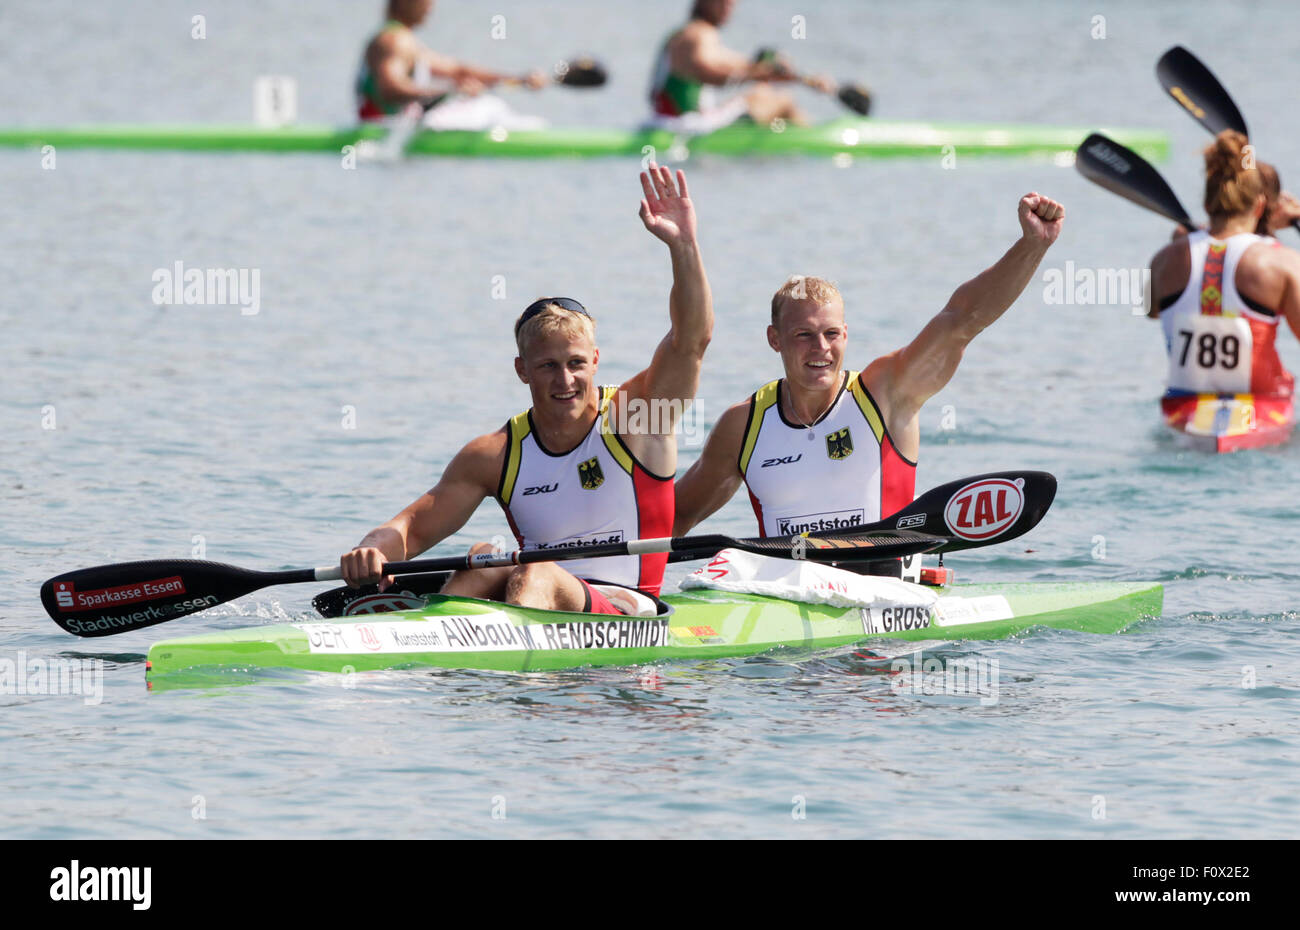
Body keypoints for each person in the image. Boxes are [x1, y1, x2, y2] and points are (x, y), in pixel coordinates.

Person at [341, 166, 712, 615]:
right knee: (484, 557)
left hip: (630, 607)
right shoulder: (493, 454)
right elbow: (412, 528)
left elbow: (690, 340)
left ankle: (496, 660)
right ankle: (435, 653)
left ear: (594, 362)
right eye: (547, 367)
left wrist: (684, 246)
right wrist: (372, 550)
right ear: (522, 370)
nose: (565, 380)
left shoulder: (638, 417)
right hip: (533, 590)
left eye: (576, 364)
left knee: (536, 572)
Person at [673, 193, 1065, 543]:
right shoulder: (742, 426)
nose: (821, 348)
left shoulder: (886, 393)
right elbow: (675, 518)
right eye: (803, 335)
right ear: (775, 339)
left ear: (845, 334)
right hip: (785, 599)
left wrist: (1032, 246)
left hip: (884, 593)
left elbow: (961, 320)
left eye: (831, 334)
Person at [1148, 131, 1300, 432]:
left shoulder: (1163, 259)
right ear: (1259, 205)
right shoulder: (1281, 262)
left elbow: (1149, 310)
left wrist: (1183, 239)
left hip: (1182, 412)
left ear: (1207, 205)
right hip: (1264, 408)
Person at [356, 0, 546, 129]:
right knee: (489, 107)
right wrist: (448, 93)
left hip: (398, 123)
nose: (431, 7)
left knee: (480, 104)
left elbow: (457, 71)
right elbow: (390, 89)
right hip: (385, 125)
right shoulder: (394, 41)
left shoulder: (401, 39)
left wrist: (519, 80)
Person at [648, 0, 833, 130]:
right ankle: (815, 134)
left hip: (673, 120)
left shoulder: (685, 33)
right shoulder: (698, 34)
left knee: (761, 92)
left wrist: (804, 79)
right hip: (687, 126)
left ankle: (802, 130)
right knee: (783, 99)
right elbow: (711, 74)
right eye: (724, 2)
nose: (729, 9)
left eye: (732, 4)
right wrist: (763, 74)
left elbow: (743, 64)